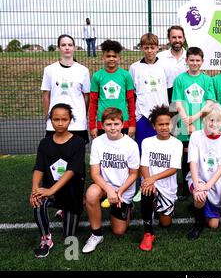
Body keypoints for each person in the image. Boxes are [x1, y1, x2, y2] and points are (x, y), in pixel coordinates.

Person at [30, 103, 85, 258]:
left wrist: (52, 190)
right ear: (50, 120)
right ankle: (46, 239)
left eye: (64, 119)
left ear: (70, 120)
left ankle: (66, 210)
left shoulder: (78, 142)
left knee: (70, 238)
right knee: (38, 200)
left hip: (71, 192)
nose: (60, 123)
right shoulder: (45, 143)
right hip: (51, 191)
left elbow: (71, 171)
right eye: (56, 119)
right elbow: (38, 167)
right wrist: (35, 189)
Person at [82, 107, 140, 254]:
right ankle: (96, 235)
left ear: (122, 124)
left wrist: (119, 191)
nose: (112, 128)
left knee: (119, 231)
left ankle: (128, 208)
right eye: (108, 124)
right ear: (102, 125)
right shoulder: (97, 142)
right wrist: (109, 190)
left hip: (123, 189)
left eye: (116, 124)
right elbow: (95, 173)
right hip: (104, 186)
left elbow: (134, 174)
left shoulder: (131, 145)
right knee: (91, 194)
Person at [172, 46, 216, 201]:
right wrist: (186, 121)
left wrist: (194, 118)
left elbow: (209, 104)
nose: (195, 63)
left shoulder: (207, 80)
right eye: (192, 60)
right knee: (186, 155)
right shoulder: (180, 79)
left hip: (202, 124)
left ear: (202, 62)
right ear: (186, 61)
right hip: (185, 125)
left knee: (202, 154)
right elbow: (178, 103)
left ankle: (203, 182)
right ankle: (185, 185)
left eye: (198, 60)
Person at [129, 33, 169, 202]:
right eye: (146, 47)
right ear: (141, 48)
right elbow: (132, 94)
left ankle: (161, 186)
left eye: (152, 47)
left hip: (161, 116)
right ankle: (142, 185)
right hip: (143, 117)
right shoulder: (134, 67)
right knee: (142, 152)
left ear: (157, 48)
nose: (149, 50)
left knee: (160, 153)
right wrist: (135, 117)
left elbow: (170, 91)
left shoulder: (165, 66)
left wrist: (169, 115)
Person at [185, 102, 221, 240]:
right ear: (204, 120)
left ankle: (199, 207)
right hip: (197, 178)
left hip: (213, 182)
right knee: (200, 196)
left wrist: (208, 186)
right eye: (211, 120)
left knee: (213, 225)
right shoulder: (196, 136)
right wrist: (198, 185)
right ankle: (198, 225)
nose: (214, 124)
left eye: (218, 120)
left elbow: (220, 169)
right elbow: (193, 163)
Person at [139, 105, 183, 251]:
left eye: (167, 124)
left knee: (165, 223)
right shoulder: (147, 142)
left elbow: (173, 169)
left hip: (167, 188)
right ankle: (148, 233)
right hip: (151, 184)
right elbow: (144, 165)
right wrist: (148, 180)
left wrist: (153, 178)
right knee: (147, 191)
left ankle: (160, 206)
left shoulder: (177, 144)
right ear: (154, 125)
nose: (164, 127)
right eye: (160, 124)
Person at [41, 34, 90, 145]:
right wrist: (47, 114)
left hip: (77, 122)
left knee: (76, 156)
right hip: (56, 120)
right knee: (55, 155)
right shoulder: (49, 70)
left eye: (70, 45)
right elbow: (46, 94)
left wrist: (82, 114)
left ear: (74, 47)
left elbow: (87, 96)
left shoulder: (83, 70)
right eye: (63, 45)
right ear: (58, 48)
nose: (67, 47)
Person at [88, 39, 136, 139]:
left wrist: (132, 124)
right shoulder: (97, 76)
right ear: (103, 57)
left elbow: (131, 101)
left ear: (119, 58)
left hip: (123, 122)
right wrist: (92, 125)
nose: (111, 59)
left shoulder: (126, 76)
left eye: (114, 56)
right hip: (103, 122)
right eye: (108, 56)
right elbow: (93, 102)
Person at [157, 25, 188, 102]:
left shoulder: (191, 58)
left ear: (184, 39)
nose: (177, 40)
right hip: (166, 98)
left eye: (180, 37)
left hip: (186, 98)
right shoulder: (160, 57)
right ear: (169, 39)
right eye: (174, 37)